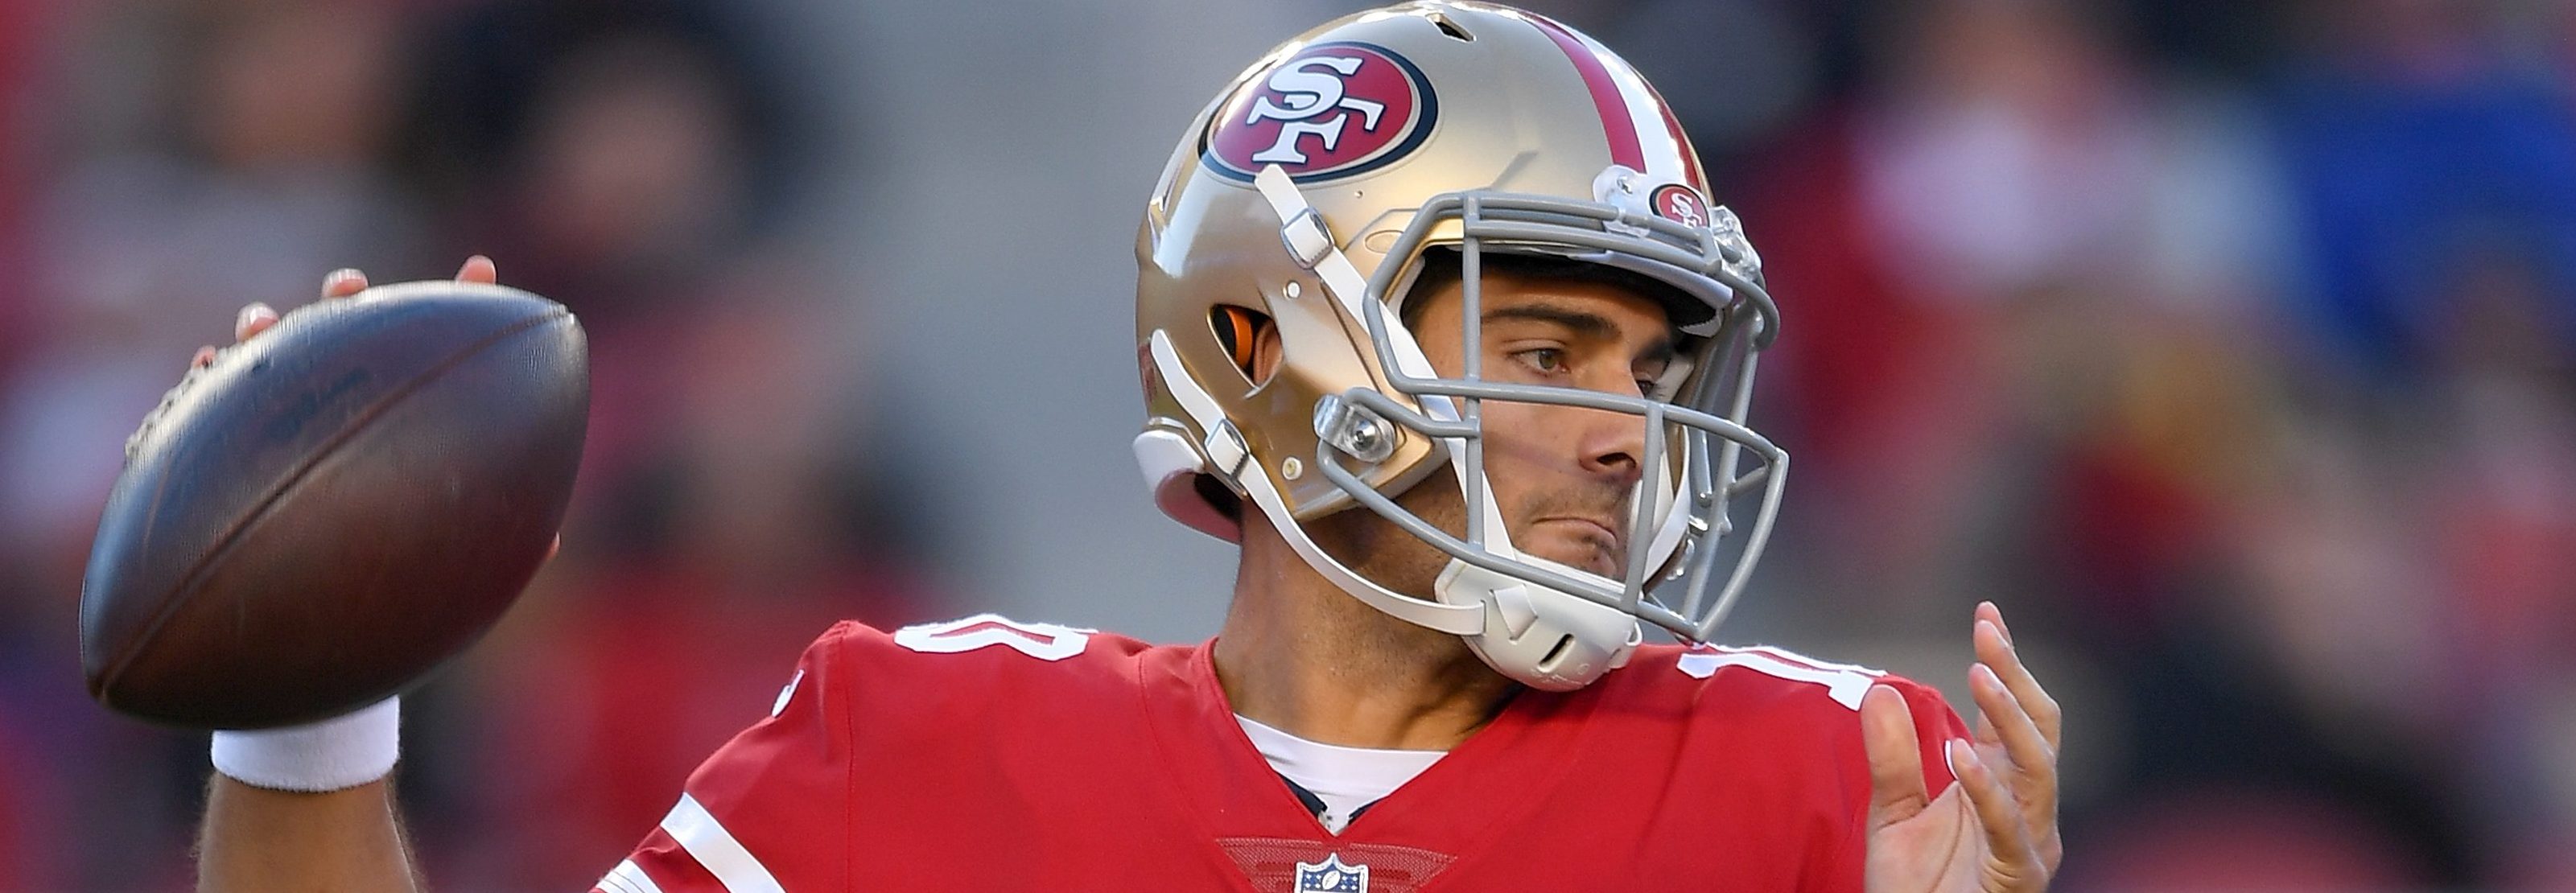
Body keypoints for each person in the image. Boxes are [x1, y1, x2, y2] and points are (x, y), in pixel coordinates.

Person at [189, 4, 2062, 890]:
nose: (1622, 436)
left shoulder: (1829, 781)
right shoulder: (913, 745)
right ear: (1266, 344)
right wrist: (306, 713)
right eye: (1548, 348)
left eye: (1653, 373)